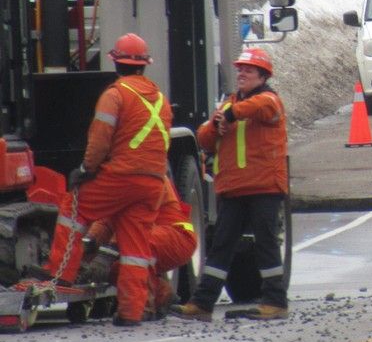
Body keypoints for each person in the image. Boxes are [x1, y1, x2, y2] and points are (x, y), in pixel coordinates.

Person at [32, 33, 173, 327]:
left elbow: (100, 137)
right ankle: (131, 312)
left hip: (121, 175)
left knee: (74, 206)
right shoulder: (160, 98)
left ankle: (62, 272)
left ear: (116, 62)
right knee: (135, 248)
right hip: (153, 183)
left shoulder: (115, 94)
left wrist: (85, 169)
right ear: (144, 65)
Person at [171, 47, 289, 321]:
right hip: (234, 188)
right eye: (240, 70)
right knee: (221, 246)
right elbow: (203, 139)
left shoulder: (269, 100)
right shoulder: (228, 107)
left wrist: (232, 114)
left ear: (262, 75)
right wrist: (215, 125)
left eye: (248, 70)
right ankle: (202, 303)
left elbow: (262, 107)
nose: (241, 74)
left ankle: (276, 302)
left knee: (266, 244)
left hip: (264, 186)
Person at [85, 177, 197, 317]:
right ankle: (161, 294)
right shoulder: (121, 176)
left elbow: (133, 223)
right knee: (117, 268)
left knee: (136, 249)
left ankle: (144, 307)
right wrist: (89, 243)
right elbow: (107, 220)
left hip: (177, 235)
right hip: (152, 235)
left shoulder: (149, 176)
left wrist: (107, 252)